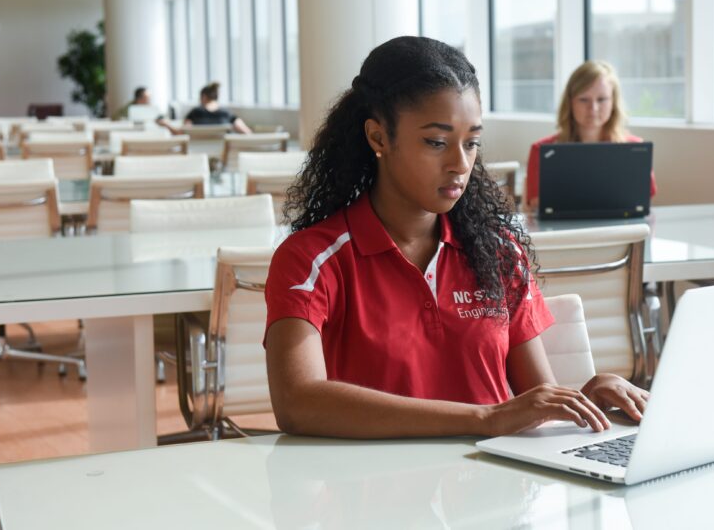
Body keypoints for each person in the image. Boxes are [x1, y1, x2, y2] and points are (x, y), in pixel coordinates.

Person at [264, 36, 648, 439]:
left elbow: (535, 400)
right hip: (374, 493)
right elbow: (297, 402)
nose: (460, 164)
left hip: (498, 488)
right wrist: (485, 418)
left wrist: (588, 396)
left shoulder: (499, 251)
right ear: (378, 138)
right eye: (436, 142)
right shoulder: (311, 258)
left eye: (472, 143)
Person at [525, 60, 657, 210]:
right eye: (583, 99)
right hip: (562, 232)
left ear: (614, 102)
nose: (593, 108)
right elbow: (537, 205)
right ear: (570, 102)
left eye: (601, 99)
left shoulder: (637, 151)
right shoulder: (541, 150)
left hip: (621, 232)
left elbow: (643, 202)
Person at [159, 82, 251, 133]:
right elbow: (247, 132)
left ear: (203, 97)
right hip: (222, 157)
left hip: (197, 154)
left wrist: (166, 124)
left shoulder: (195, 113)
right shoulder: (227, 113)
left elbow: (181, 133)